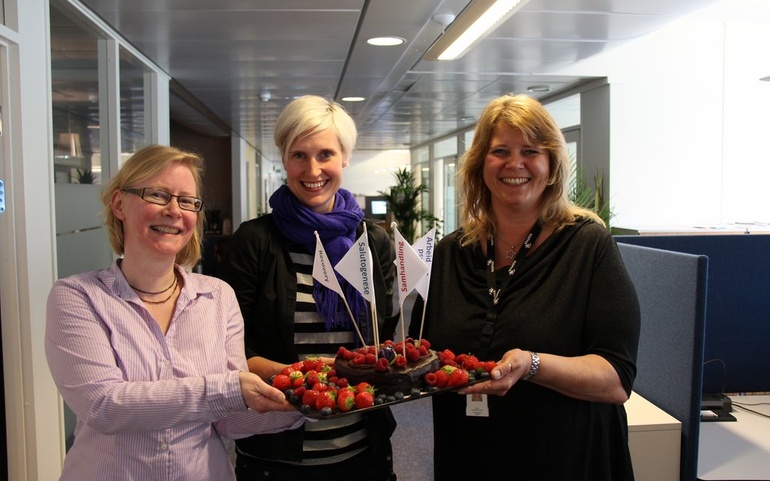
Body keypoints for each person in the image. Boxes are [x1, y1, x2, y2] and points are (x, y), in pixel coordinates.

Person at [410, 94, 641, 480]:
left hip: (564, 459)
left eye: (530, 151)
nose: (514, 163)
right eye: (500, 151)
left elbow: (616, 379)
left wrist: (532, 365)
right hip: (469, 455)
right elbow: (422, 352)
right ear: (481, 164)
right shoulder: (451, 252)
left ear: (551, 165)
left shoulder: (588, 246)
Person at [45, 144, 305, 481]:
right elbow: (104, 406)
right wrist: (226, 390)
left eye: (186, 201)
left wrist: (300, 401)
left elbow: (227, 420)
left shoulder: (217, 296)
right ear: (119, 204)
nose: (173, 210)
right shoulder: (78, 297)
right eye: (157, 195)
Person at [218, 95, 399, 480]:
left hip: (363, 447)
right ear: (284, 159)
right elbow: (225, 347)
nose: (312, 169)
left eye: (325, 154)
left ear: (344, 157)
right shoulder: (254, 242)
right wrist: (303, 376)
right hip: (277, 452)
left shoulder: (372, 242)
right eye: (299, 155)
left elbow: (384, 334)